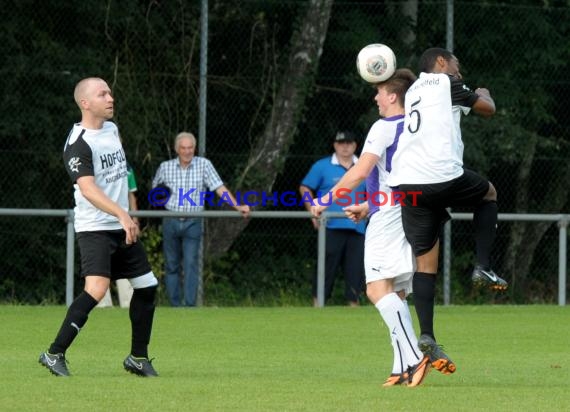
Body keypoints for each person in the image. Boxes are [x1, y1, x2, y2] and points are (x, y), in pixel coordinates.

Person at [387, 47, 508, 375]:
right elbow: (487, 109)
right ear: (441, 63)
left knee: (426, 263)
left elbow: (449, 111)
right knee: (489, 194)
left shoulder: (415, 91)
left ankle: (426, 334)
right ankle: (483, 266)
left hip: (407, 185)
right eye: (457, 65)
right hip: (438, 175)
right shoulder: (444, 83)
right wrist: (484, 94)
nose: (460, 72)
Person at [312, 69, 429, 387]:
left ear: (393, 96)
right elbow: (400, 178)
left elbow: (362, 170)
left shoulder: (383, 126)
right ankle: (401, 365)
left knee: (376, 289)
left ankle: (415, 357)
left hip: (390, 215)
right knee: (397, 292)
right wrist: (367, 206)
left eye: (379, 92)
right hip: (411, 209)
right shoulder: (417, 124)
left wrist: (325, 199)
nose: (376, 97)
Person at [39, 77, 159, 377]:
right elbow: (89, 190)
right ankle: (54, 353)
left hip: (120, 225)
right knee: (96, 289)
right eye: (102, 93)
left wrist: (125, 215)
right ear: (85, 103)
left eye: (110, 91)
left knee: (147, 287)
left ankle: (138, 358)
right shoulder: (77, 144)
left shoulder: (112, 129)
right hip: (95, 228)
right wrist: (122, 214)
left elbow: (118, 176)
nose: (110, 97)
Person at [152, 132, 250, 307]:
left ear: (194, 148)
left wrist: (237, 206)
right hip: (170, 220)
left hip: (193, 221)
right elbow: (155, 192)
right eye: (183, 148)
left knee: (190, 264)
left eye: (190, 148)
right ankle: (175, 306)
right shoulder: (165, 167)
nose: (187, 151)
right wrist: (159, 197)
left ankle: (189, 307)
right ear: (177, 149)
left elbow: (219, 188)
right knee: (171, 265)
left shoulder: (204, 165)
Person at [299, 131, 366, 307]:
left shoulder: (365, 167)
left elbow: (376, 193)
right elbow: (305, 188)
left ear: (355, 146)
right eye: (341, 143)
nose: (345, 146)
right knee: (325, 267)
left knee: (356, 269)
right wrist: (312, 211)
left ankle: (354, 306)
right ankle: (318, 305)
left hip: (358, 226)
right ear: (335, 145)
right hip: (330, 226)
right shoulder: (322, 166)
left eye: (349, 143)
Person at [97, 162, 137, 308]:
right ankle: (103, 304)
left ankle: (127, 303)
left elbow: (131, 194)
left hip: (123, 222)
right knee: (100, 263)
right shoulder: (95, 163)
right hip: (100, 221)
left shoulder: (127, 168)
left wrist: (135, 220)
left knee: (124, 260)